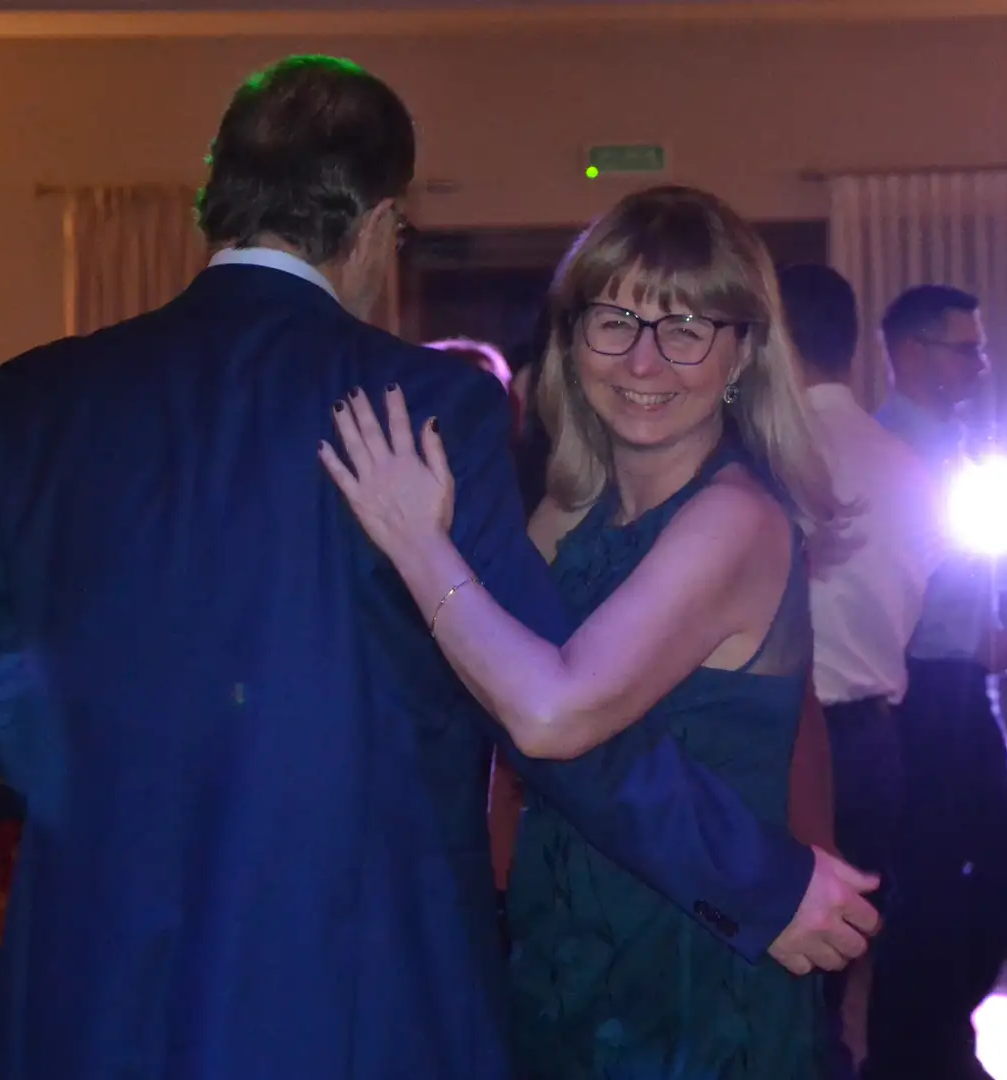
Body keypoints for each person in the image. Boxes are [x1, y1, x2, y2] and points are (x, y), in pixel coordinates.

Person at [0, 60, 871, 1080]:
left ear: (217, 196)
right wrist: (757, 880)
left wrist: (127, 789)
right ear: (377, 224)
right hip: (354, 960)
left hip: (96, 961)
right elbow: (552, 722)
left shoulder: (40, 395)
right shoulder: (420, 406)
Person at [322, 185, 878, 1079]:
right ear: (572, 339)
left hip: (691, 973)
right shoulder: (568, 515)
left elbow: (550, 715)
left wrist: (419, 543)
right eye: (614, 322)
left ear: (742, 353)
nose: (644, 361)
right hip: (567, 943)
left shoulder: (734, 519)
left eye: (685, 328)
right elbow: (488, 696)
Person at [778, 263, 941, 1075]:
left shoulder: (771, 455)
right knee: (835, 976)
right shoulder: (906, 460)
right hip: (875, 739)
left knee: (775, 987)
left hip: (786, 741)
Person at [871, 284, 1007, 1080]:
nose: (981, 364)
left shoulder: (955, 447)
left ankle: (927, 1040)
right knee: (935, 876)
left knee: (997, 862)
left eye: (980, 347)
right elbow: (889, 586)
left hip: (958, 683)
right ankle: (921, 1050)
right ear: (910, 353)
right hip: (920, 686)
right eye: (964, 348)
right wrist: (971, 638)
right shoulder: (889, 451)